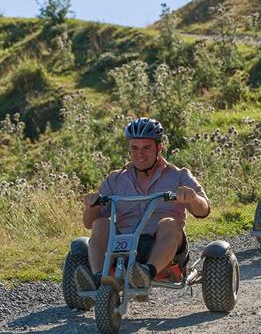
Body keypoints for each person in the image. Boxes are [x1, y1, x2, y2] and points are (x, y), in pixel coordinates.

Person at [74, 117, 210, 292]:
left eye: (146, 148)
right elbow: (88, 224)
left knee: (168, 222)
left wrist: (192, 198)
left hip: (163, 246)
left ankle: (145, 274)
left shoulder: (179, 175)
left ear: (159, 148)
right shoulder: (115, 179)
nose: (139, 154)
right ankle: (100, 278)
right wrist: (91, 206)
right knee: (101, 223)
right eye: (134, 148)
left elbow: (204, 210)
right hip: (123, 246)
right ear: (129, 149)